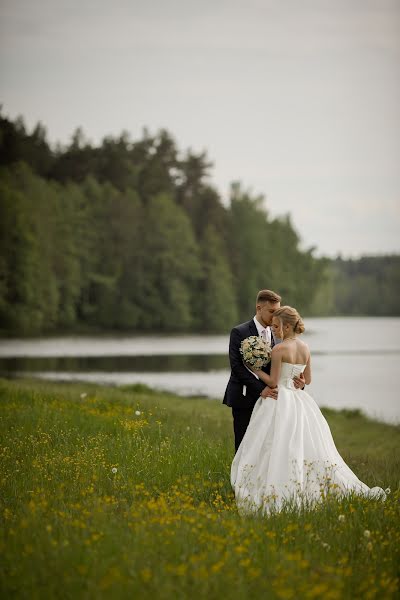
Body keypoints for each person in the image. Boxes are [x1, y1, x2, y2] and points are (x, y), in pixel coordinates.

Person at [231, 306, 386, 514]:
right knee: (305, 444)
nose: (274, 330)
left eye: (277, 327)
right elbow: (308, 380)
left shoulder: (279, 350)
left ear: (287, 326)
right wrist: (300, 379)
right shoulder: (305, 348)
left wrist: (255, 369)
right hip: (299, 400)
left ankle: (274, 484)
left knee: (274, 442)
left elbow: (274, 381)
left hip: (280, 400)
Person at [223, 290, 305, 452]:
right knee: (244, 444)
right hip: (245, 397)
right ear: (258, 308)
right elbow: (237, 367)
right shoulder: (239, 332)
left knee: (268, 447)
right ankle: (240, 477)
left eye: (278, 312)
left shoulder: (279, 333)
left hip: (273, 401)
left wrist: (299, 383)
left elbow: (286, 367)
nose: (276, 317)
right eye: (272, 312)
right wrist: (262, 389)